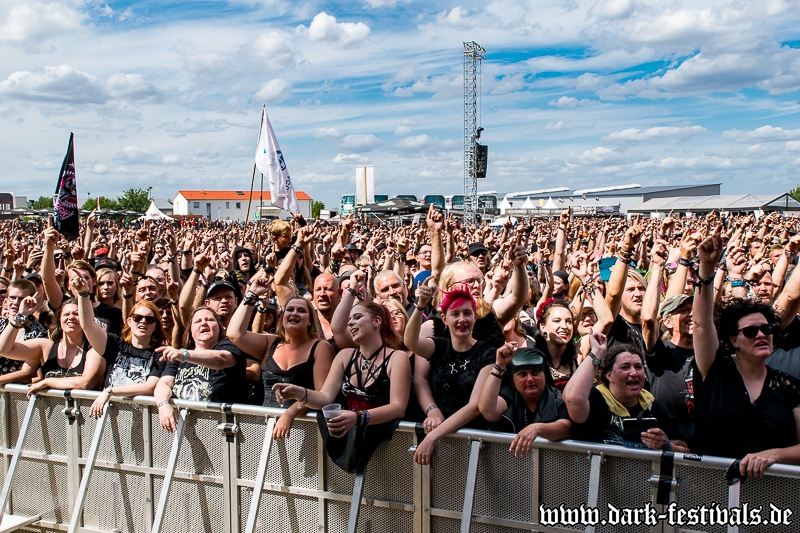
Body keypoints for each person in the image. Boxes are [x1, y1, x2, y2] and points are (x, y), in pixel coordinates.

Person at [692, 229, 800, 476]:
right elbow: (700, 323)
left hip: (773, 501)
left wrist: (773, 454)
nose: (762, 335)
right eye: (751, 332)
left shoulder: (788, 387)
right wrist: (707, 268)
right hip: (713, 496)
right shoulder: (714, 370)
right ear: (734, 340)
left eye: (767, 329)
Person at [273, 301, 410, 474]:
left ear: (377, 321)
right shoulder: (345, 355)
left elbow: (398, 408)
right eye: (350, 319)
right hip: (349, 443)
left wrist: (357, 417)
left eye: (358, 317)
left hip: (387, 449)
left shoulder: (397, 358)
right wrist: (299, 392)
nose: (351, 322)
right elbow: (325, 397)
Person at [227, 280, 334, 438]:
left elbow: (321, 394)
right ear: (283, 319)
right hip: (267, 426)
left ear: (310, 320)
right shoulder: (269, 343)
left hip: (305, 429)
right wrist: (252, 294)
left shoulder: (320, 347)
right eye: (289, 309)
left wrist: (290, 414)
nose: (294, 313)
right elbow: (234, 334)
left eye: (302, 311)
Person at [404, 283, 496, 464]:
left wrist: (432, 437)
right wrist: (421, 304)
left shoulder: (488, 352)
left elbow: (475, 406)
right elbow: (410, 341)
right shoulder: (438, 346)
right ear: (444, 319)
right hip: (441, 443)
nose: (462, 319)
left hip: (473, 441)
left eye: (467, 313)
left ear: (475, 317)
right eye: (455, 314)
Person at [564, 333, 683, 451]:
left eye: (638, 367)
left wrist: (665, 444)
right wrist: (597, 352)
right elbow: (573, 399)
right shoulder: (595, 399)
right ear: (609, 375)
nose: (634, 373)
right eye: (625, 367)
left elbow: (684, 449)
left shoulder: (653, 406)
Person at [73, 275, 168, 418]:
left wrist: (110, 391)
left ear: (155, 325)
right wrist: (83, 294)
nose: (142, 322)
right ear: (129, 322)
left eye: (149, 319)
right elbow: (88, 325)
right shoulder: (116, 344)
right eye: (137, 318)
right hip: (112, 417)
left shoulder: (160, 353)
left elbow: (150, 387)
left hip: (145, 420)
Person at [155, 307, 246, 432]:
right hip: (186, 429)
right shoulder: (179, 355)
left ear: (220, 327)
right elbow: (164, 383)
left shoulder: (228, 346)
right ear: (190, 331)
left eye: (209, 320)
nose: (204, 323)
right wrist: (163, 405)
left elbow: (222, 359)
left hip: (222, 429)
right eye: (198, 321)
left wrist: (184, 355)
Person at [0, 295, 106, 396]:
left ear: (86, 319)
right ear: (59, 320)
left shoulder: (94, 349)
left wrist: (47, 382)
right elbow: (4, 349)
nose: (71, 317)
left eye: (76, 314)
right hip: (51, 413)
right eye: (66, 314)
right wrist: (20, 315)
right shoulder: (46, 347)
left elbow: (85, 383)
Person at [478, 346, 572, 456]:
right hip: (511, 465)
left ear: (545, 374)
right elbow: (487, 410)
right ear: (513, 378)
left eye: (535, 372)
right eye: (522, 374)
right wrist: (499, 366)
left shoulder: (557, 397)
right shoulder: (509, 395)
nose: (530, 379)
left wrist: (537, 428)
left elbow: (565, 428)